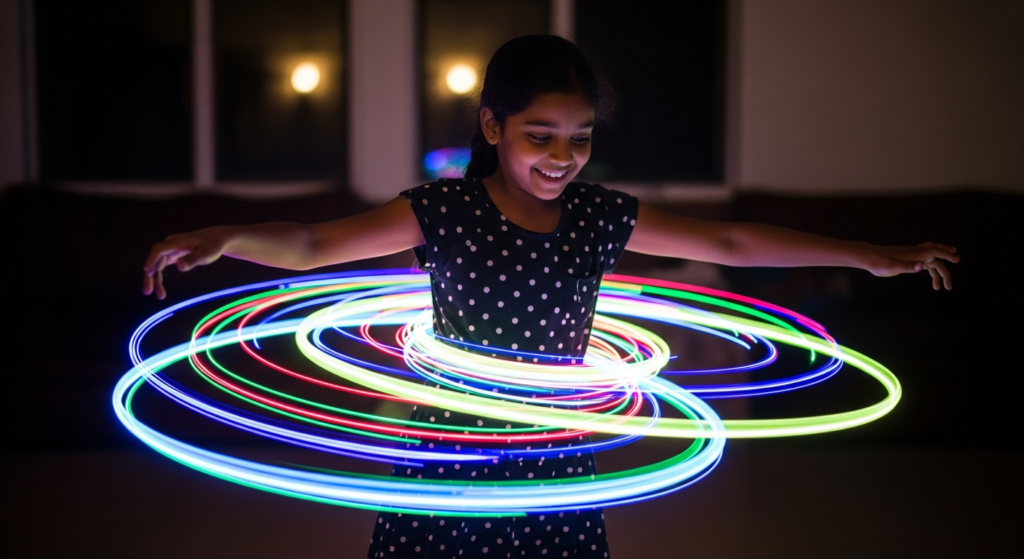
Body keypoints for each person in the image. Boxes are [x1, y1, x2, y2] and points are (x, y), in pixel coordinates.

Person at [143, 35, 957, 559]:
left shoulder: (601, 216)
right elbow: (318, 244)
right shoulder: (445, 210)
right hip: (445, 457)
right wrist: (227, 237)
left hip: (556, 454)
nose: (563, 157)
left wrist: (870, 255)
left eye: (581, 137)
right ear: (492, 127)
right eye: (541, 135)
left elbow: (732, 242)